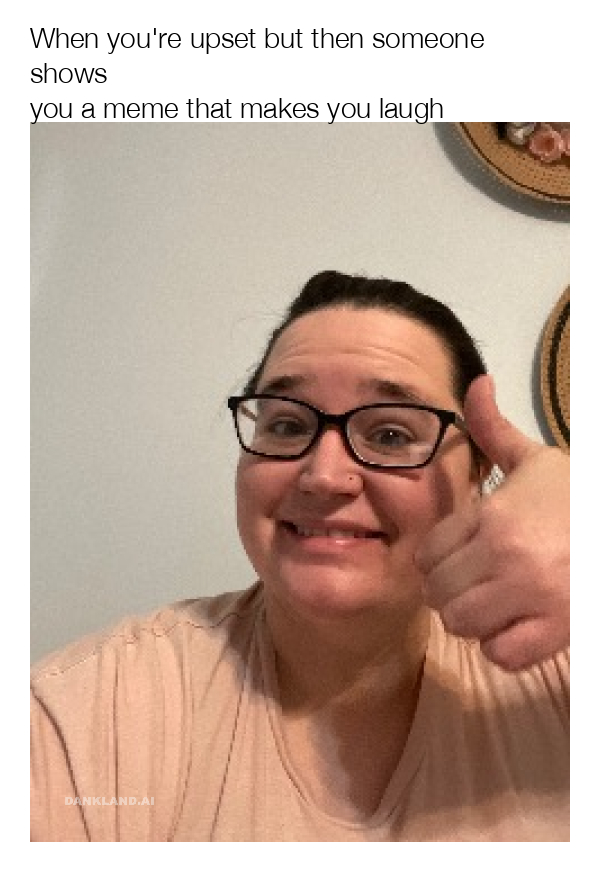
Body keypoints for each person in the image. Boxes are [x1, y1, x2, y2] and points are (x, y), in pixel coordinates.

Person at [30, 270, 569, 842]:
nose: (324, 476)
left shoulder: (562, 675)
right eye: (287, 425)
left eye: (390, 435)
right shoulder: (86, 713)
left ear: (477, 472)